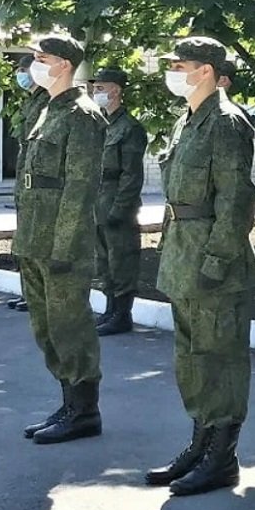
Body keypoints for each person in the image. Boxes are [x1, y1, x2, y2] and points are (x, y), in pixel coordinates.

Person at [145, 36, 255, 497]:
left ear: (209, 71)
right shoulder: (189, 120)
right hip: (183, 256)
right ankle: (200, 444)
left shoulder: (227, 123)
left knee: (220, 360)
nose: (174, 69)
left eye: (183, 64)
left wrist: (216, 259)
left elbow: (237, 200)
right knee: (192, 360)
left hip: (216, 262)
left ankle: (222, 457)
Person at [12, 34, 107, 444]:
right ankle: (69, 402)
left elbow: (80, 187)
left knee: (70, 326)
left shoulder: (82, 114)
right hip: (33, 235)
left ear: (64, 64)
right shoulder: (45, 108)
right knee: (46, 327)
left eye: (42, 58)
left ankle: (85, 410)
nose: (35, 64)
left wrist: (64, 245)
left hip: (59, 240)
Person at [88, 68, 148, 336]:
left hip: (116, 201)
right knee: (104, 260)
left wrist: (120, 209)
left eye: (100, 87)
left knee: (121, 258)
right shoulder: (100, 124)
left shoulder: (129, 128)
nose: (95, 92)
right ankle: (110, 309)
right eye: (94, 87)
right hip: (97, 201)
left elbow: (131, 175)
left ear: (116, 90)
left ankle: (123, 314)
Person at [7, 55, 50, 313]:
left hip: (36, 183)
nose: (20, 75)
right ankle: (28, 293)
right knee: (23, 242)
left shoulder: (46, 100)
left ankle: (37, 294)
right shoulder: (32, 101)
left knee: (35, 243)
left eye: (24, 70)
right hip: (24, 180)